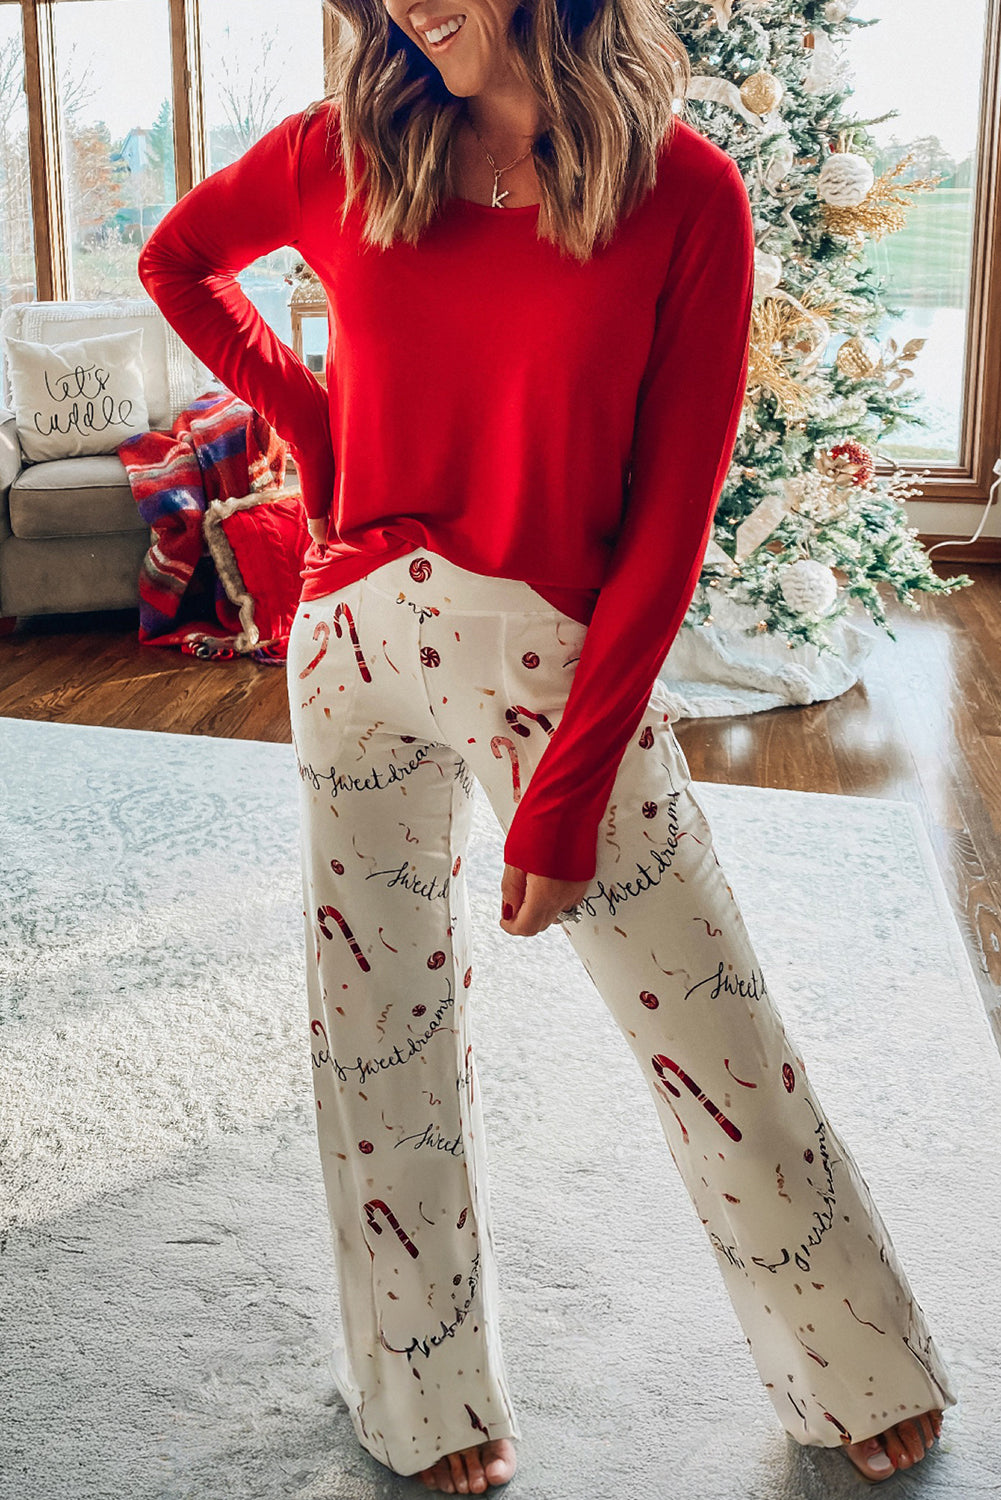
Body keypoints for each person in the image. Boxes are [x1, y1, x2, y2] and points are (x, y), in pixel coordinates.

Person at [136, 0, 956, 1489]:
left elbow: (670, 520)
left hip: (547, 660)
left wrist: (569, 794)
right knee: (375, 1035)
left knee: (706, 1012)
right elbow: (176, 260)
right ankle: (420, 1399)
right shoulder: (342, 149)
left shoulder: (684, 191)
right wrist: (313, 427)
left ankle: (850, 1358)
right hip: (351, 644)